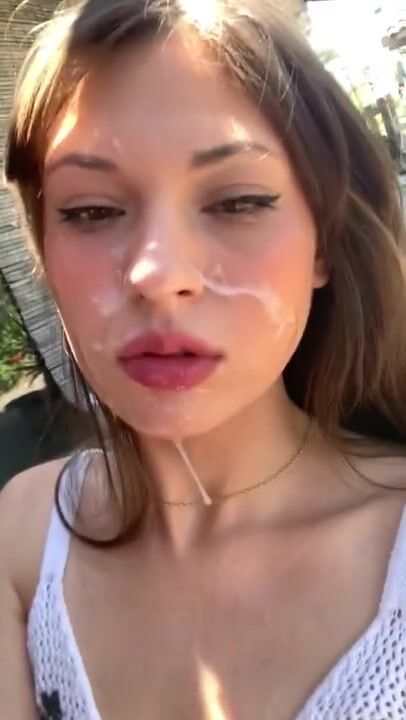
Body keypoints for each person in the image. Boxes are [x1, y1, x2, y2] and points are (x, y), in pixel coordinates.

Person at [1, 0, 406, 717]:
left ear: (323, 243)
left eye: (238, 201)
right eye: (90, 210)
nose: (156, 273)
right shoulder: (25, 534)